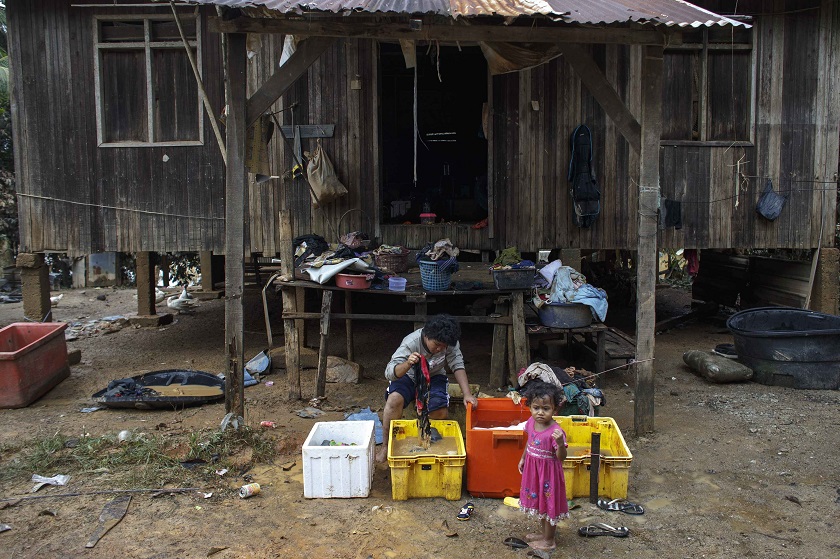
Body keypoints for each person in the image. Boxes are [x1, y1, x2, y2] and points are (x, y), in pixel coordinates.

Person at [375, 314, 478, 463]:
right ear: (427, 336)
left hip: (435, 376)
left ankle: (429, 443)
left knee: (440, 410)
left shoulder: (450, 343)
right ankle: (386, 446)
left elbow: (457, 364)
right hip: (408, 376)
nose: (440, 349)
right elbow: (389, 373)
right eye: (437, 344)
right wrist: (408, 364)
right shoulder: (411, 342)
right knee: (394, 400)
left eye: (444, 346)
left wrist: (467, 394)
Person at [517, 381, 569, 551]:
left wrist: (560, 444)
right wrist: (523, 458)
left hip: (549, 475)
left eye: (545, 409)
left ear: (555, 410)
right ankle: (544, 534)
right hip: (534, 472)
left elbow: (561, 458)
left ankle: (549, 541)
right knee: (541, 503)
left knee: (549, 505)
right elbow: (530, 441)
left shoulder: (556, 432)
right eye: (536, 408)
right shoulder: (531, 423)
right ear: (530, 407)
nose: (540, 412)